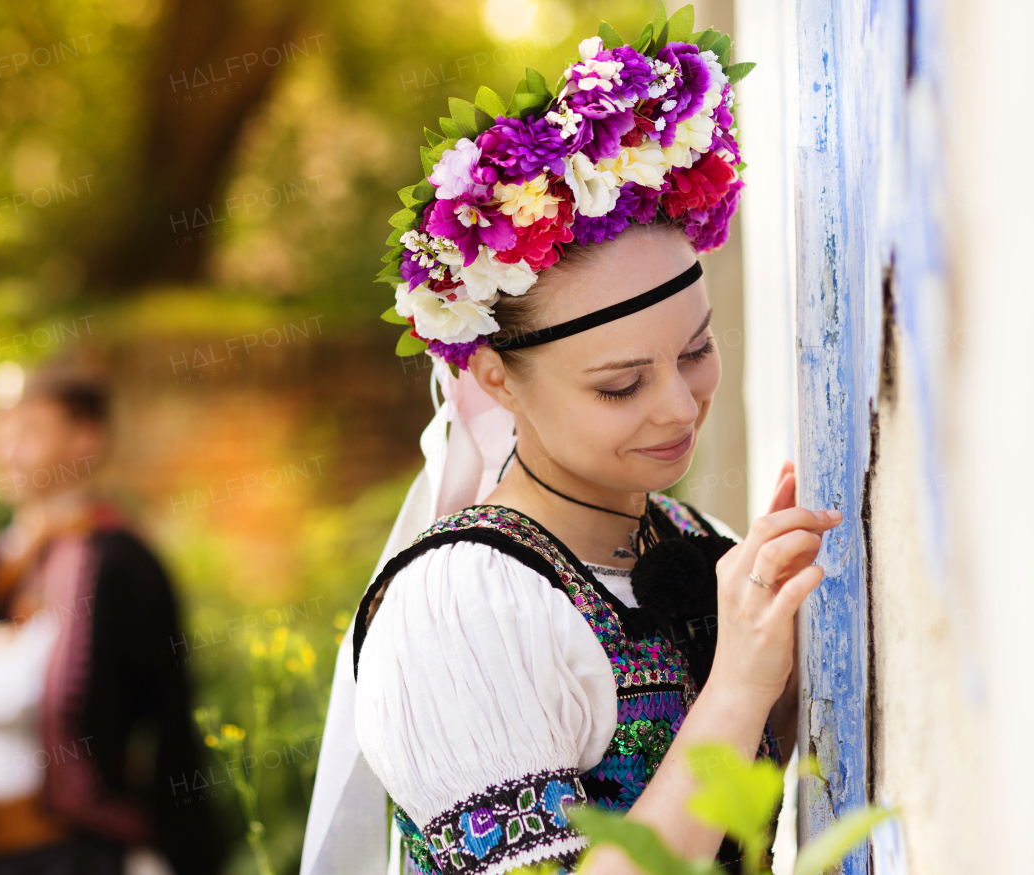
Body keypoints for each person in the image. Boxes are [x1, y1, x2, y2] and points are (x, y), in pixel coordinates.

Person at [302, 19, 840, 875]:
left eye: (697, 351)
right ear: (494, 376)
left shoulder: (683, 535)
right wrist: (737, 687)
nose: (677, 408)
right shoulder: (461, 608)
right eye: (620, 385)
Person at [0, 362, 228, 875]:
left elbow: (24, 696)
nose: (3, 450)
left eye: (27, 431)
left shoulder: (121, 566)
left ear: (85, 439)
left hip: (69, 856)